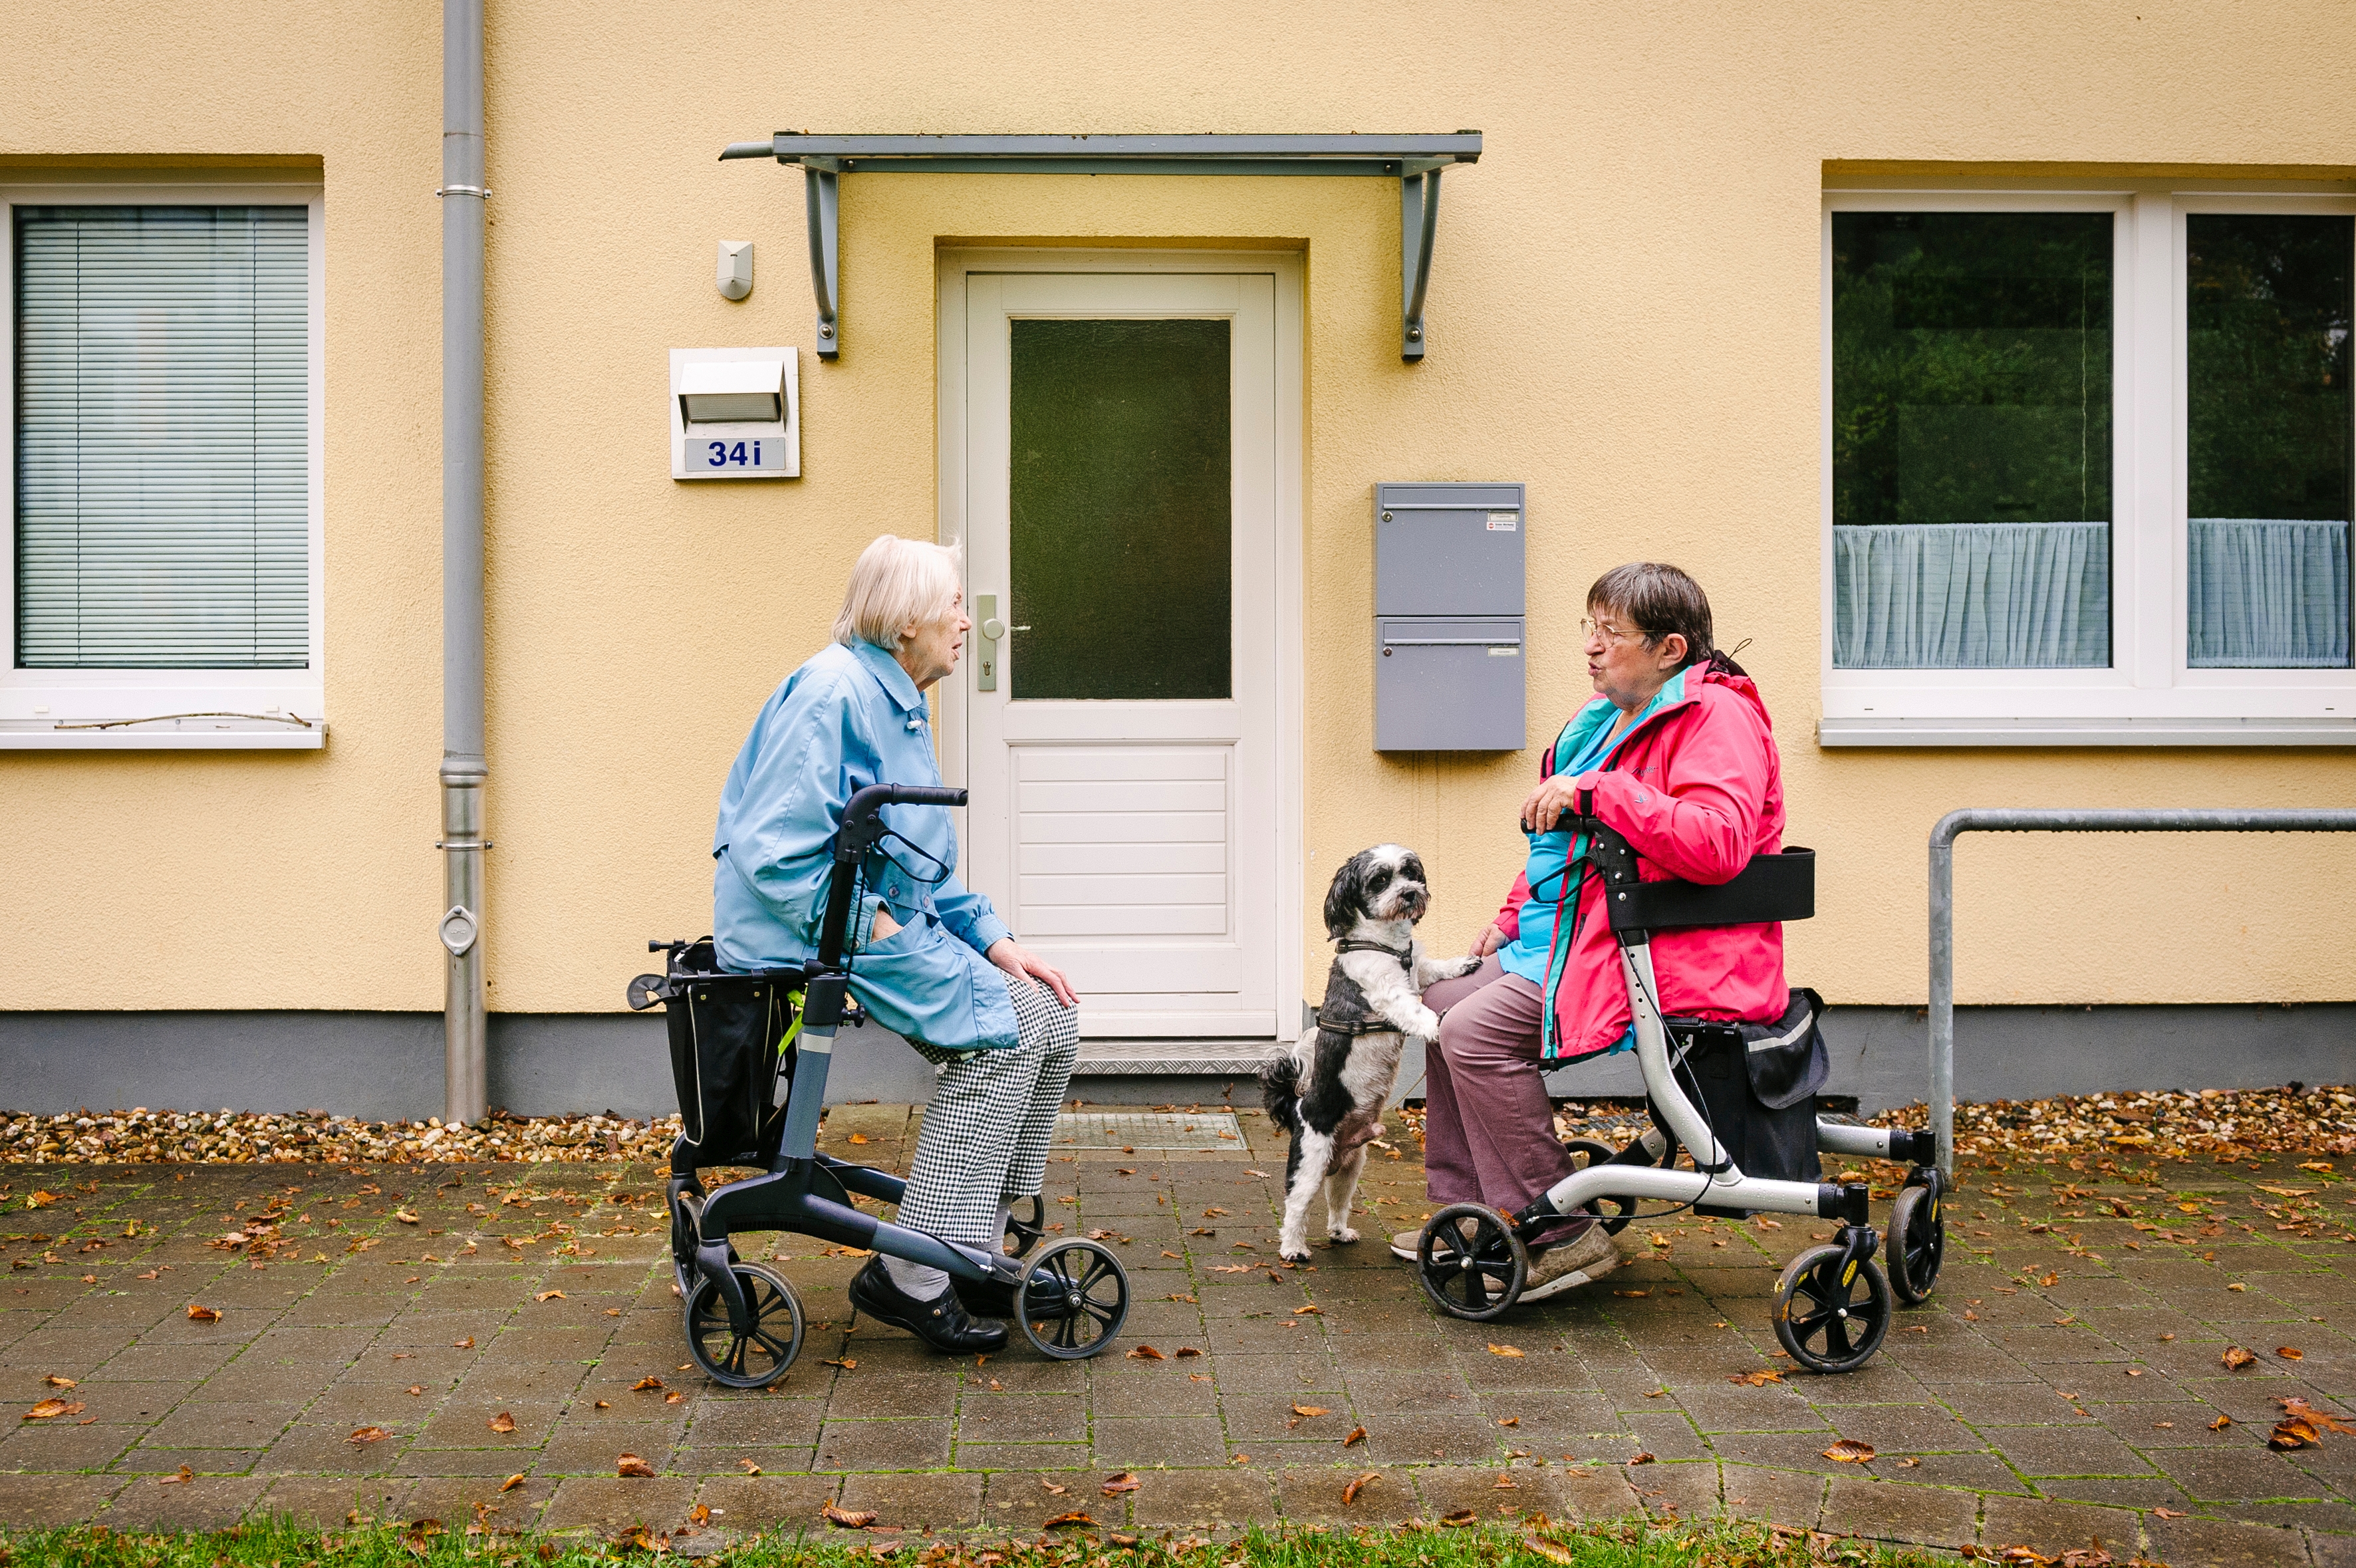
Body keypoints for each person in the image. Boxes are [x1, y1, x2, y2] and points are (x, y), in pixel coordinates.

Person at [712, 534, 1079, 1355]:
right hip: (809, 924)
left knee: (1049, 1017)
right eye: (953, 604)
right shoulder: (832, 694)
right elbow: (774, 852)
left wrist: (995, 944)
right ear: (905, 619)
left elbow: (919, 865)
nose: (965, 622)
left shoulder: (899, 703)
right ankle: (910, 1278)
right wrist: (875, 926)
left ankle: (972, 1244)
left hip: (865, 915)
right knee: (1001, 1039)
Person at [1402, 562, 1787, 1301]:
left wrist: (1604, 791)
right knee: (1440, 1008)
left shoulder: (1716, 718)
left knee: (1475, 1035)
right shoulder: (1609, 717)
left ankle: (1562, 1234)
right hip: (1578, 934)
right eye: (1591, 628)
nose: (1591, 647)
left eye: (1611, 633)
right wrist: (1511, 914)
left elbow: (1718, 842)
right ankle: (1472, 1213)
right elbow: (1564, 844)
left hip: (1660, 950)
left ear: (1670, 648)